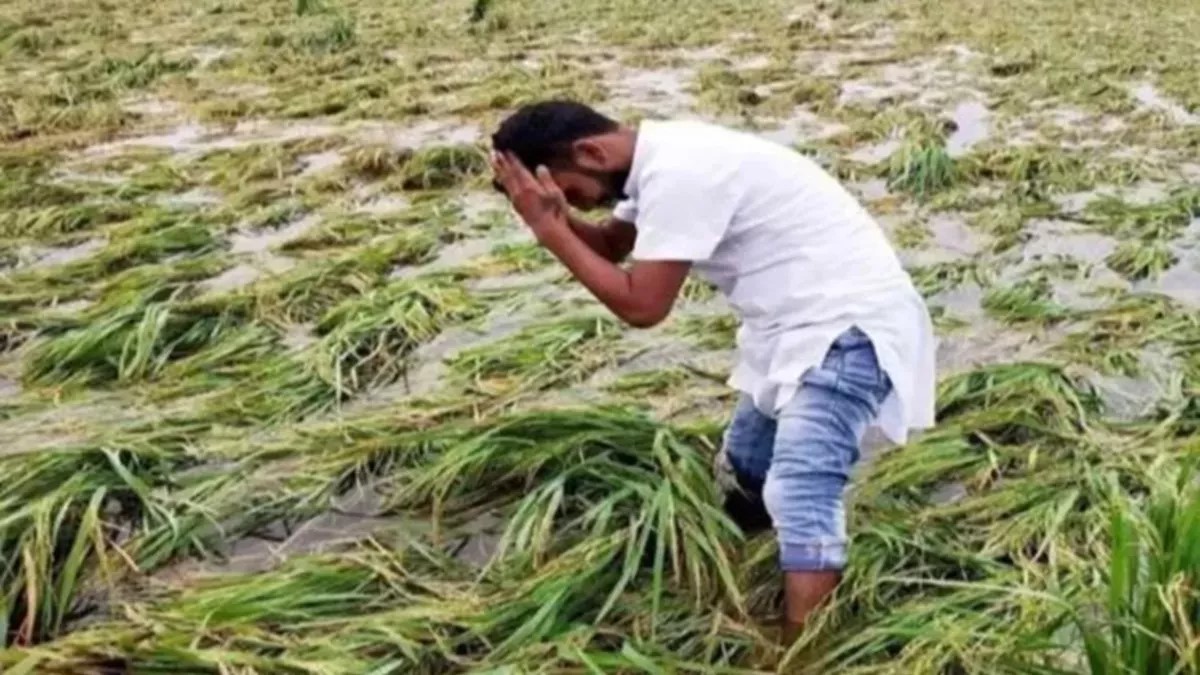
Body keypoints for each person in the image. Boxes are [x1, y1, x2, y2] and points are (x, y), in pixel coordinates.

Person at [489, 100, 936, 642]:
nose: (578, 202)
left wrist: (548, 230)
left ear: (590, 152)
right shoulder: (661, 161)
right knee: (747, 469)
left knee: (798, 489)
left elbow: (642, 306)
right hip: (792, 328)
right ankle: (746, 568)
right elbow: (611, 244)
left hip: (847, 329)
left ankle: (801, 646)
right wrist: (551, 218)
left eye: (571, 191)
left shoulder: (682, 173)